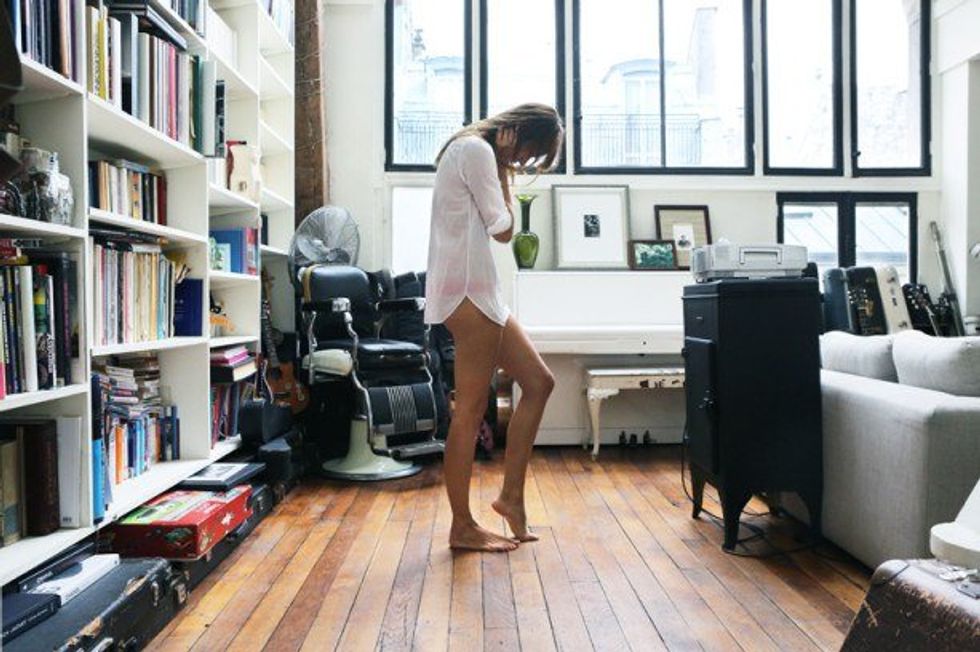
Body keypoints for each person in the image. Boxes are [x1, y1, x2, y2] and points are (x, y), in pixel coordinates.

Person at [424, 103, 564, 552]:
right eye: (529, 152)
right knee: (469, 411)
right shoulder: (477, 152)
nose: (524, 162)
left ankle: (511, 499)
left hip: (480, 292)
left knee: (539, 383)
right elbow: (503, 229)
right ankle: (462, 526)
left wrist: (503, 167)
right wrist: (504, 171)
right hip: (468, 292)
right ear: (518, 132)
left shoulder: (470, 150)